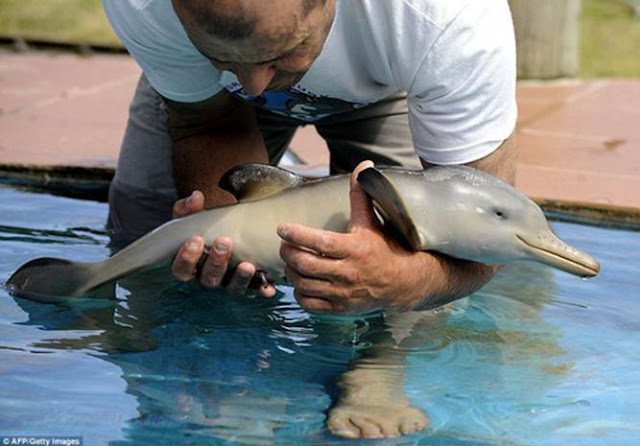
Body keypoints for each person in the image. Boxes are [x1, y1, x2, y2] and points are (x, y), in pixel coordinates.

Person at [102, 0, 517, 437]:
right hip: (211, 99)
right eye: (224, 56)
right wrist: (229, 234)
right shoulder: (144, 5)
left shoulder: (445, 17)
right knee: (145, 236)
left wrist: (401, 279)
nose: (256, 84)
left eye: (284, 52)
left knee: (420, 240)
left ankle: (379, 366)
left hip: (385, 78)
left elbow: (480, 235)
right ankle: (193, 362)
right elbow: (208, 123)